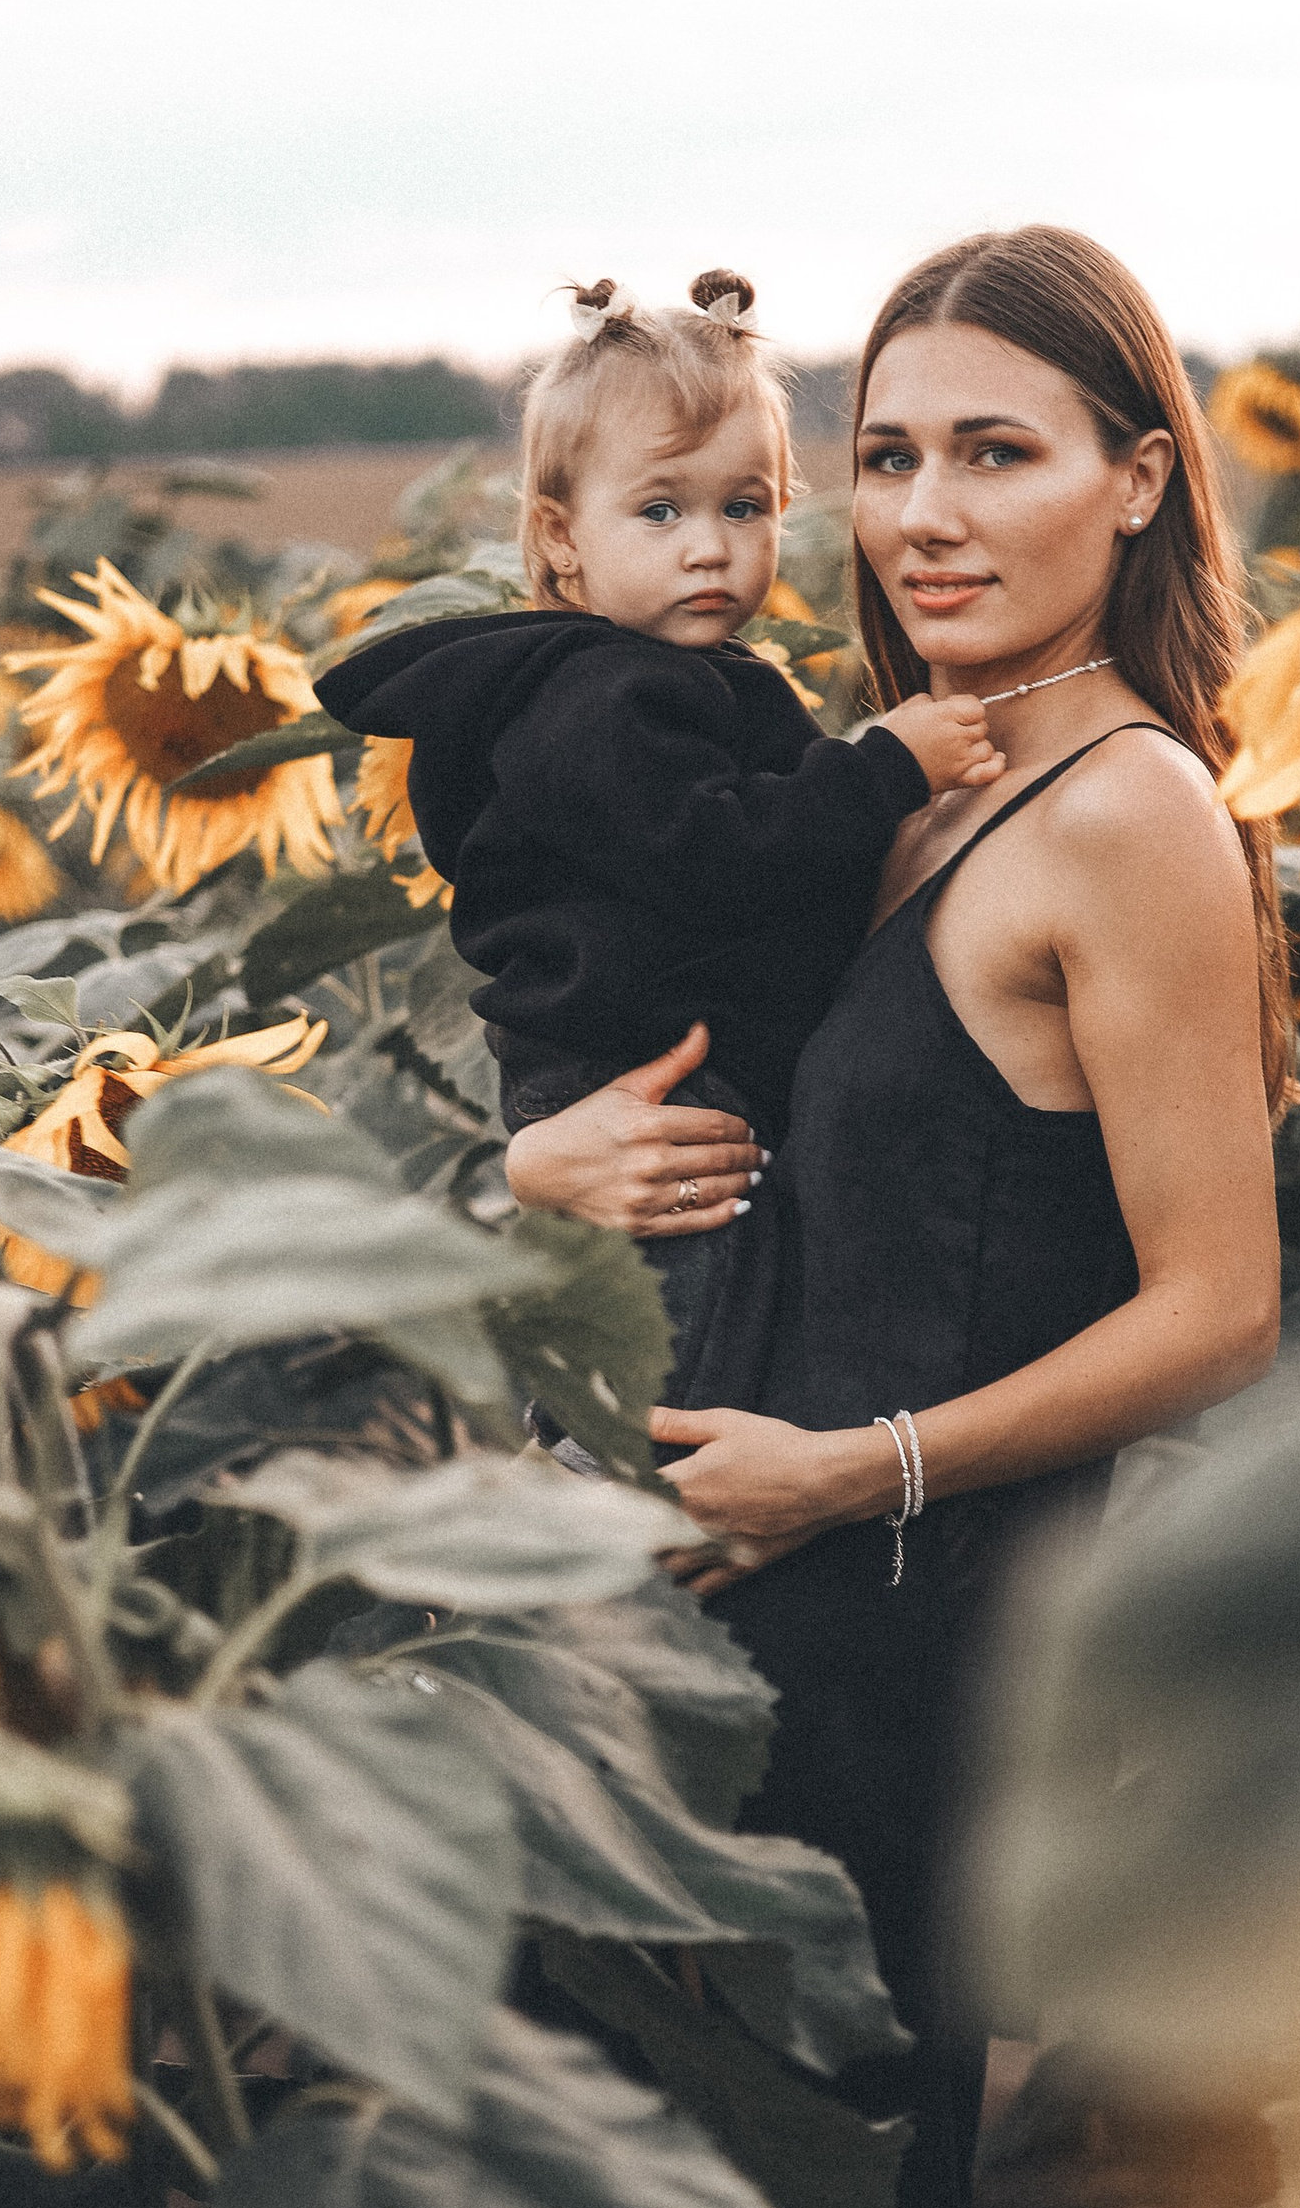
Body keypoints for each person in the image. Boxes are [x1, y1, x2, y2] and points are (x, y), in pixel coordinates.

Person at [502, 225, 1290, 2208]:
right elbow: (676, 1095)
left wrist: (860, 1469)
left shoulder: (1129, 818)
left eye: (997, 450)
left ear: (1135, 481)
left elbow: (1215, 1308)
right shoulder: (880, 794)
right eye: (886, 457)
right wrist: (529, 1179)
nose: (923, 512)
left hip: (920, 1629)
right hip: (750, 1616)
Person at [316, 272, 1003, 1378]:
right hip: (639, 1076)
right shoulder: (601, 697)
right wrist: (884, 770)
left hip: (655, 1061)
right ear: (561, 537)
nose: (709, 548)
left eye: (744, 508)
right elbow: (714, 859)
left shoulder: (675, 680)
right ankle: (627, 1460)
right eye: (659, 510)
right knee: (695, 1313)